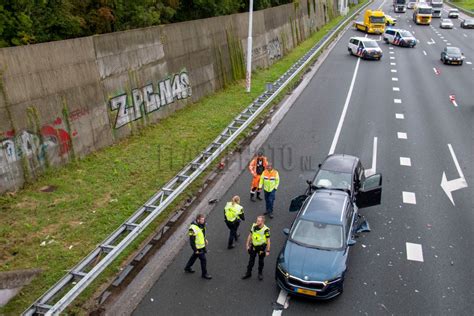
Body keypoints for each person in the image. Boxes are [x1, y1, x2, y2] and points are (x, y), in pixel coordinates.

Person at [242, 216, 270, 281]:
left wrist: (268, 250)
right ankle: (248, 273)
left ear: (262, 222)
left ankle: (260, 273)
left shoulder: (266, 230)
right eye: (257, 220)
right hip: (253, 247)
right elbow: (250, 235)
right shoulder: (254, 226)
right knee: (251, 261)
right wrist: (247, 245)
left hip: (261, 248)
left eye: (258, 221)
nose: (257, 222)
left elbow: (268, 240)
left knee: (261, 261)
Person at [184, 214, 212, 279]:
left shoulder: (202, 225)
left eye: (204, 219)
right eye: (202, 220)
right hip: (197, 247)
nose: (203, 221)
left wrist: (205, 239)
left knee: (194, 256)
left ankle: (187, 267)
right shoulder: (192, 229)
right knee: (203, 260)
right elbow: (192, 241)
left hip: (201, 245)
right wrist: (195, 250)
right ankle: (204, 274)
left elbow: (202, 233)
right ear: (198, 220)